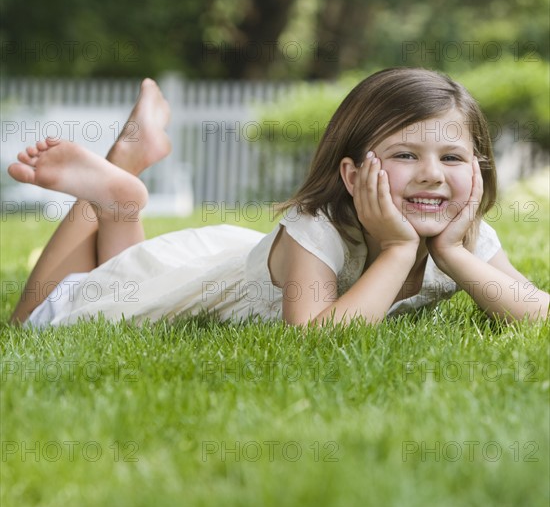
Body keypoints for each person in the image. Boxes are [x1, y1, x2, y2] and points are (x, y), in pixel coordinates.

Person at [7, 69, 549, 327]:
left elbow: (538, 317)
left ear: (478, 171)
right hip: (189, 288)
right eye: (405, 155)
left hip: (210, 261)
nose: (432, 176)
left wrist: (454, 255)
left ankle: (121, 194)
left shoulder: (465, 235)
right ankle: (119, 180)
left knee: (127, 270)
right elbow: (312, 342)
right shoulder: (316, 227)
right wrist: (399, 252)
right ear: (353, 173)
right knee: (36, 317)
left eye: (452, 159)